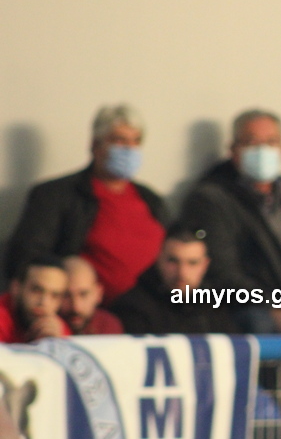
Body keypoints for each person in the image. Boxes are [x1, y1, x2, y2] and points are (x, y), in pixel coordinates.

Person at [180, 109, 281, 334]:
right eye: (252, 143)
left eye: (271, 142)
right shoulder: (211, 199)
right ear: (234, 150)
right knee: (259, 322)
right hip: (253, 308)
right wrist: (271, 306)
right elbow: (221, 271)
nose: (263, 151)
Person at [4, 104, 168, 306]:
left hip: (147, 314)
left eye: (136, 141)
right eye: (119, 140)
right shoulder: (55, 195)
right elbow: (26, 258)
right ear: (95, 145)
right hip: (81, 313)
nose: (129, 149)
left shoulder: (152, 200)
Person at [111, 223, 240, 334]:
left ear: (205, 265)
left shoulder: (214, 308)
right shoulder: (133, 308)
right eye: (173, 261)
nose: (182, 273)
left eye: (192, 263)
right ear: (159, 259)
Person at [0, 256, 70, 343]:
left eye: (55, 296)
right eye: (37, 291)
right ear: (16, 288)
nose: (44, 302)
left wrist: (56, 343)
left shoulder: (58, 328)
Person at [60, 256, 123, 335]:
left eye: (83, 294)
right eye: (66, 295)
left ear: (98, 294)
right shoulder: (47, 327)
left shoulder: (108, 326)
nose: (76, 307)